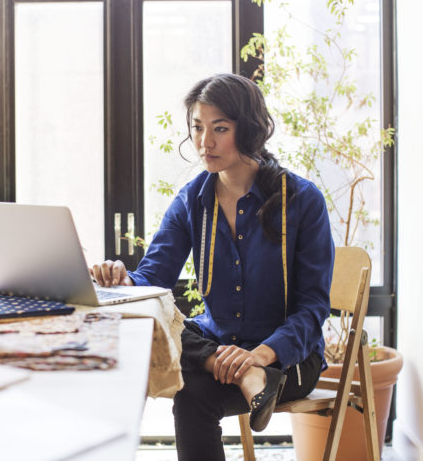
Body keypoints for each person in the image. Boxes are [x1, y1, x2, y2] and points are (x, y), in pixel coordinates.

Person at [90, 73, 334, 461]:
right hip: (217, 346)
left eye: (220, 128)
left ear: (251, 129)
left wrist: (260, 356)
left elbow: (313, 308)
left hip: (287, 361)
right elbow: (151, 280)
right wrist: (121, 279)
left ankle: (254, 374)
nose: (205, 142)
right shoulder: (192, 200)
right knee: (157, 327)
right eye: (198, 128)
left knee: (191, 399)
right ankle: (239, 373)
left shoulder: (302, 200)